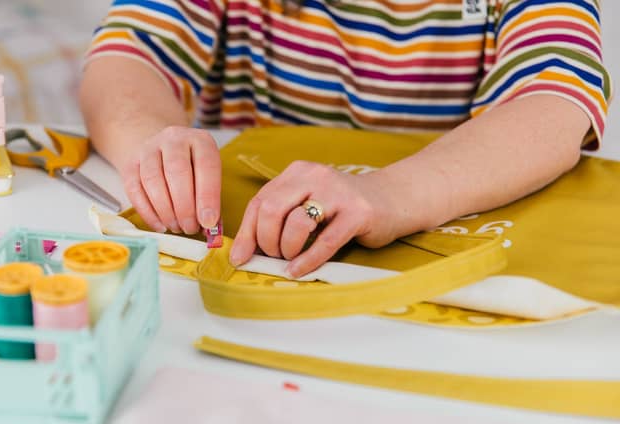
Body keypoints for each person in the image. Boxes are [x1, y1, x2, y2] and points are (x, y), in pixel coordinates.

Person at [80, 0, 611, 278]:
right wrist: (154, 143)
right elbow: (127, 58)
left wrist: (394, 193)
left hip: (444, 243)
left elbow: (556, 103)